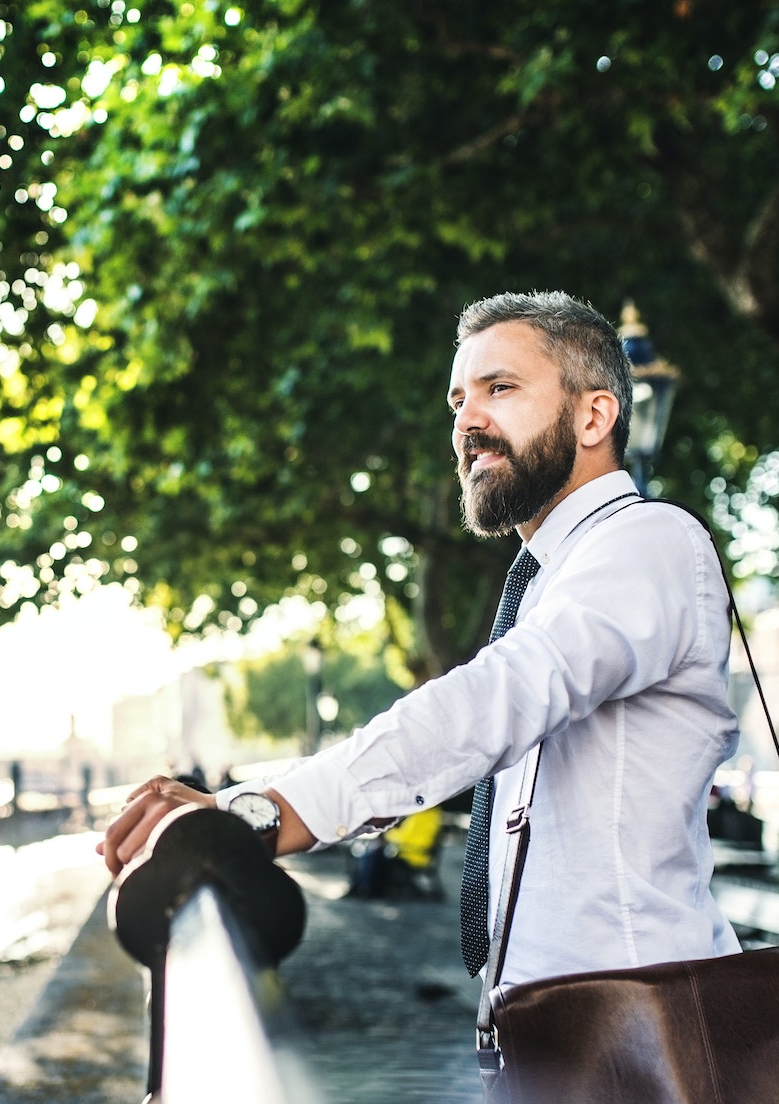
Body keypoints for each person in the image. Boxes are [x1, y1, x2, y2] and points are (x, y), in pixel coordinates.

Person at [104, 290, 740, 997]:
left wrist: (257, 814)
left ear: (595, 414)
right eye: (457, 401)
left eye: (499, 388)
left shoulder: (647, 541)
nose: (468, 420)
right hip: (571, 1036)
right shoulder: (548, 579)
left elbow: (492, 700)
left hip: (648, 1038)